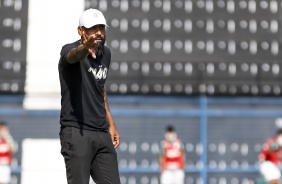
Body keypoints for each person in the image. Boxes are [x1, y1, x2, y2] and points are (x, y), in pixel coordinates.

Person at [58, 8, 121, 184]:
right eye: (93, 28)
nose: (99, 32)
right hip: (77, 133)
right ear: (81, 31)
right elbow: (73, 56)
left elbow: (100, 88)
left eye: (101, 27)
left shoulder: (106, 54)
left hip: (101, 132)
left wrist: (111, 122)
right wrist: (84, 49)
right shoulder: (69, 50)